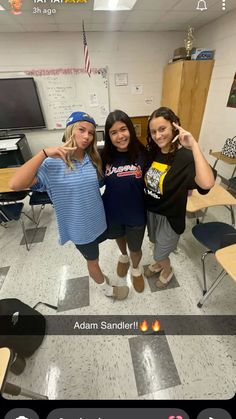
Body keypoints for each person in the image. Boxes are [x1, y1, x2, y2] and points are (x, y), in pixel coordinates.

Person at [9, 111, 129, 301]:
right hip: (80, 228)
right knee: (93, 262)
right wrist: (44, 153)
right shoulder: (51, 164)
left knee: (120, 234)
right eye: (81, 130)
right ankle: (107, 289)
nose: (86, 136)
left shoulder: (93, 159)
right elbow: (15, 184)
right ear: (70, 130)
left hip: (100, 219)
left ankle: (125, 257)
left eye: (91, 133)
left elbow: (101, 184)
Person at [144, 107, 215, 288]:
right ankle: (160, 264)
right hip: (152, 212)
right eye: (153, 131)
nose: (158, 136)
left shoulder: (184, 157)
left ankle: (167, 270)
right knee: (155, 244)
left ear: (174, 127)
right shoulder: (153, 152)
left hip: (170, 218)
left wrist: (193, 145)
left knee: (160, 253)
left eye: (162, 129)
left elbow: (207, 183)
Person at [101, 110, 149, 293]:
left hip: (136, 212)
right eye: (114, 132)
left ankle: (136, 269)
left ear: (130, 129)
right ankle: (123, 257)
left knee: (135, 247)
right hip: (112, 212)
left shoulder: (143, 154)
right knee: (119, 237)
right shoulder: (104, 156)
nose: (120, 136)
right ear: (109, 136)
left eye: (123, 129)